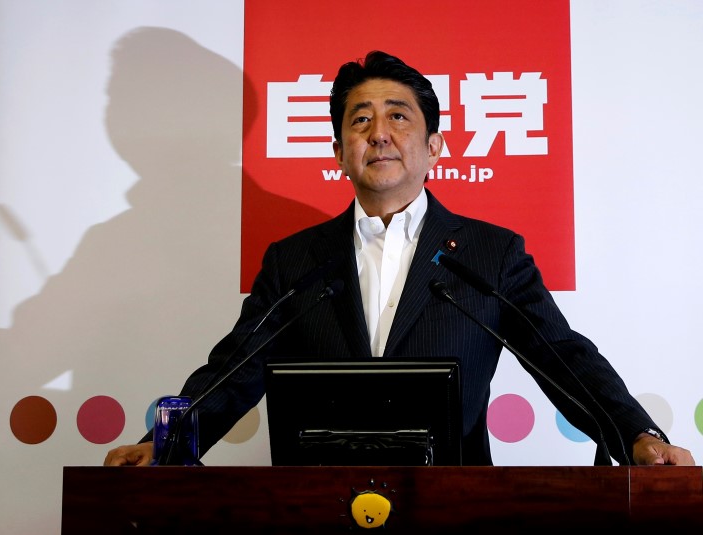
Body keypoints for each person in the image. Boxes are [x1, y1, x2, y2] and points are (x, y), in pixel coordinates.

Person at [105, 50, 695, 468]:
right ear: (339, 152)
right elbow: (235, 369)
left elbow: (561, 357)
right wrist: (165, 443)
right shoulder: (295, 261)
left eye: (398, 115)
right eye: (360, 120)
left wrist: (638, 435)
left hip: (455, 505)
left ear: (434, 146)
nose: (379, 132)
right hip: (316, 505)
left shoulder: (490, 254)